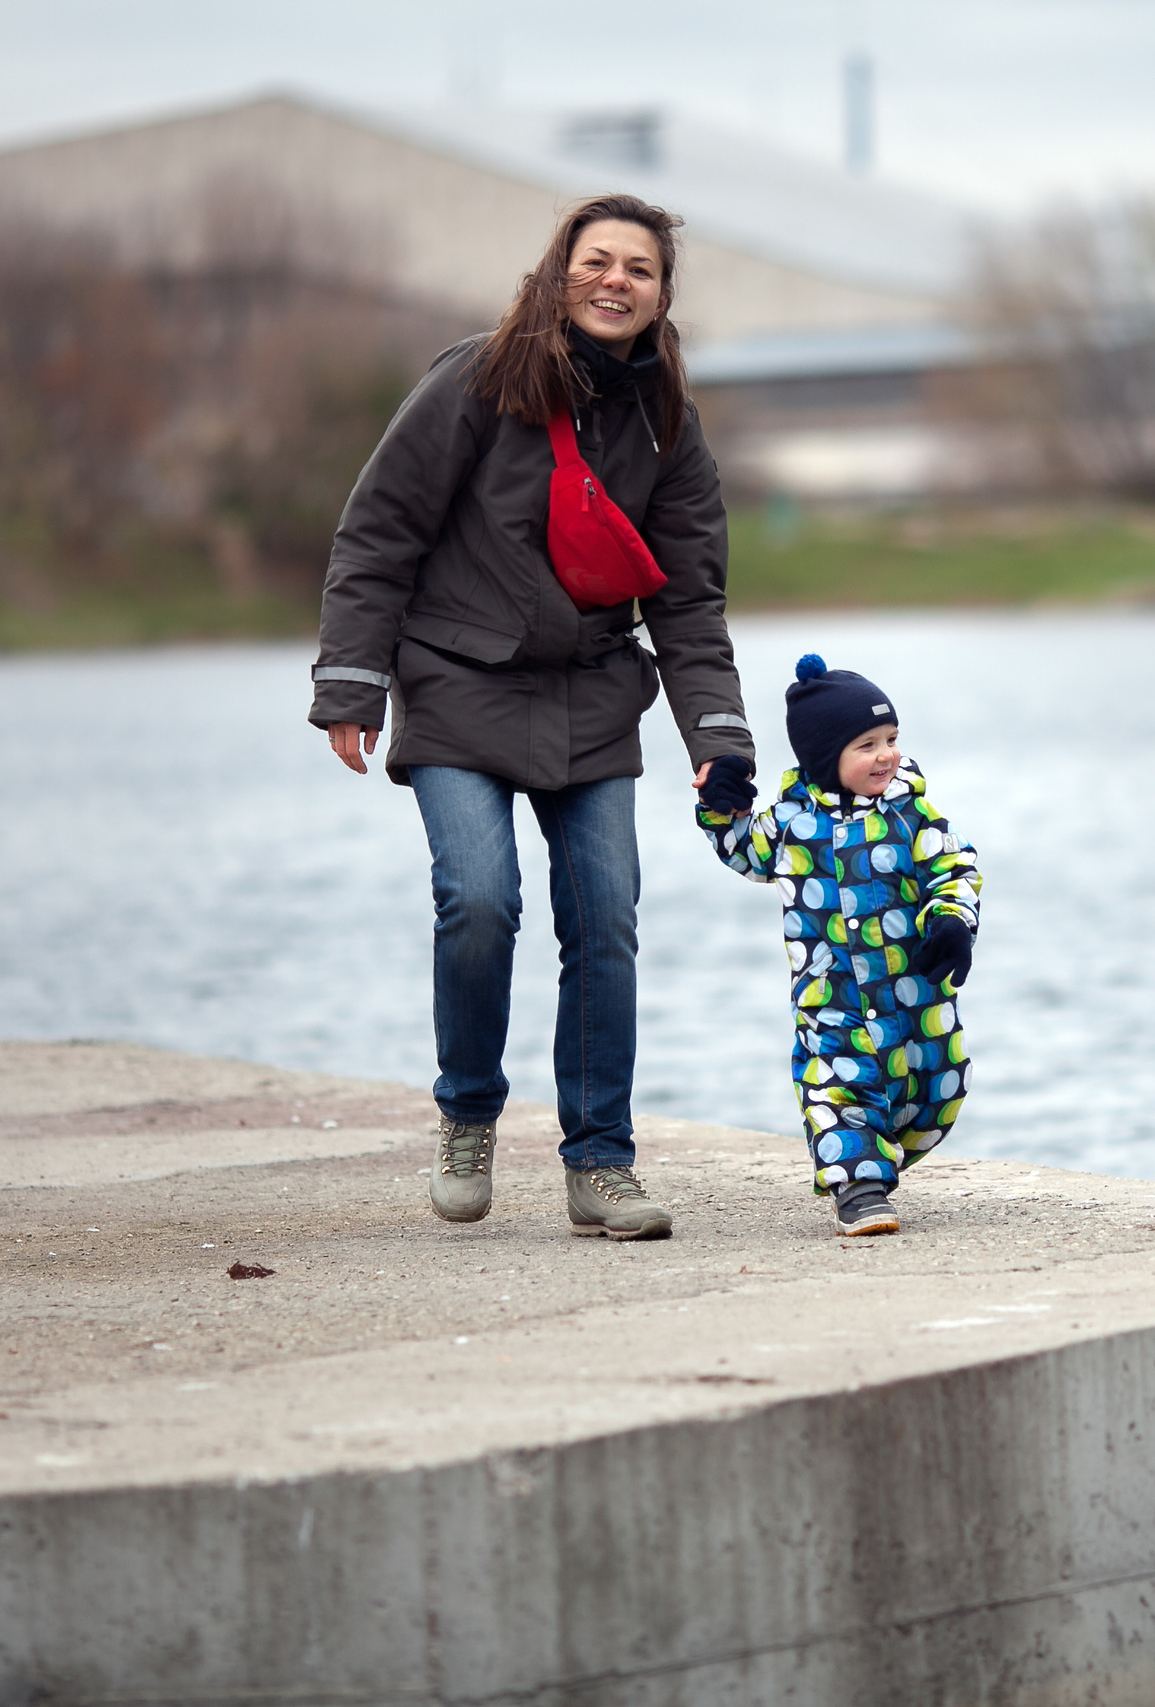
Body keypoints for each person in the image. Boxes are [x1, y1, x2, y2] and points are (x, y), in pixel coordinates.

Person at [308, 194, 756, 1242]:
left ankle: (600, 1162)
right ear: (559, 274)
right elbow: (379, 532)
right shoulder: (476, 378)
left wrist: (719, 740)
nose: (615, 281)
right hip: (460, 681)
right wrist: (351, 683)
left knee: (605, 918)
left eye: (638, 270)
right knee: (480, 899)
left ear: (659, 296)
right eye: (596, 261)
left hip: (593, 696)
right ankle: (468, 1115)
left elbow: (688, 600)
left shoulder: (669, 424)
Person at [695, 655, 980, 1236]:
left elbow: (953, 867)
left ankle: (881, 1157)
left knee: (933, 1087)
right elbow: (744, 853)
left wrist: (952, 921)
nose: (887, 755)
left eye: (892, 738)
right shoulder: (789, 824)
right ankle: (859, 1186)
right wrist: (723, 807)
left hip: (912, 992)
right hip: (832, 995)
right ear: (827, 757)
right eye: (867, 745)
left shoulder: (910, 811)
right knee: (836, 1086)